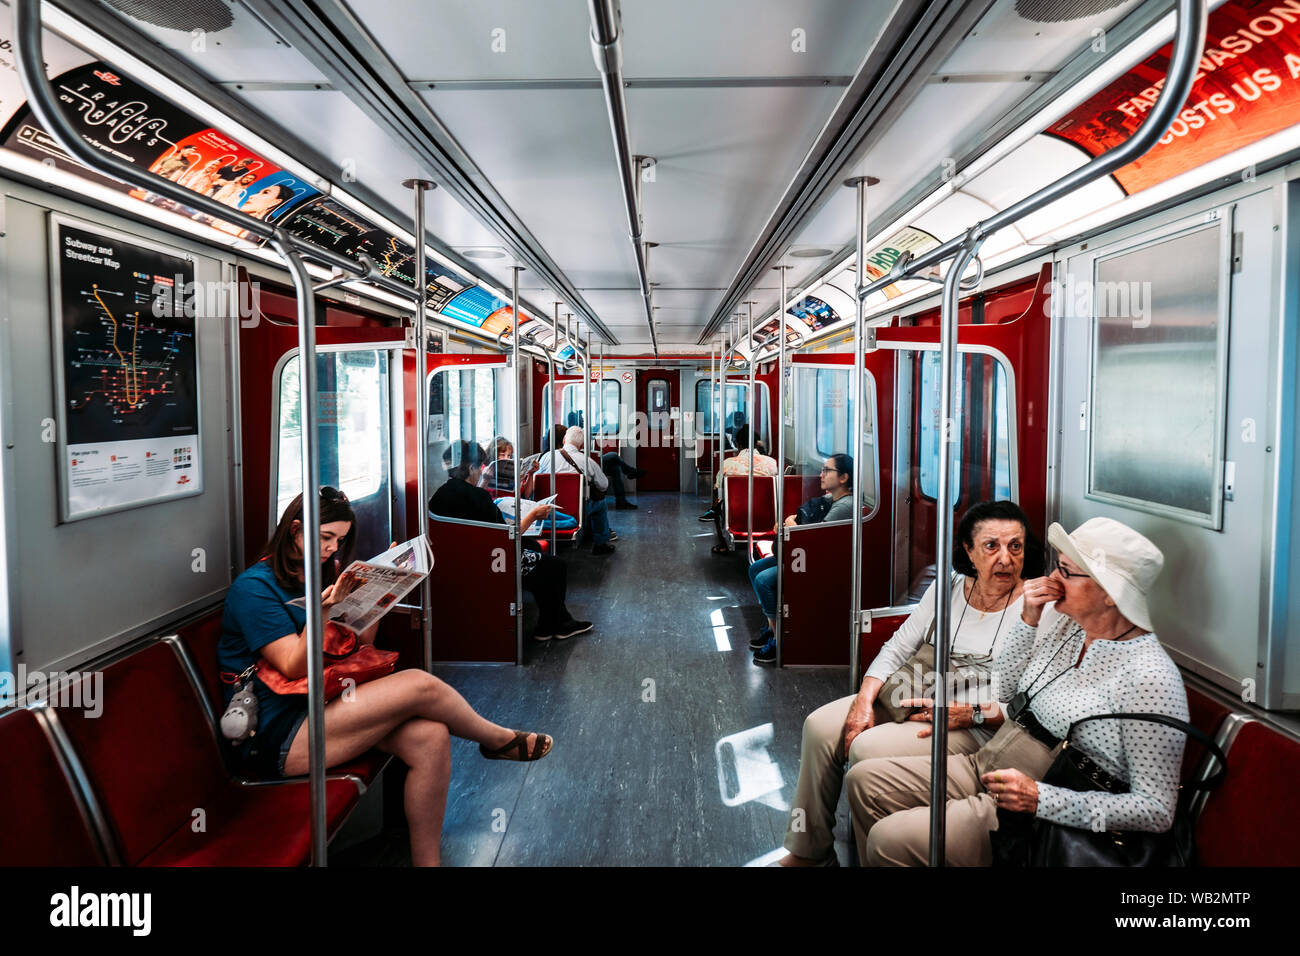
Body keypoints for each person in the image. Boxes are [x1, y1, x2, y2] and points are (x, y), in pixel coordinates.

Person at [218, 486, 552, 867]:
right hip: (277, 731)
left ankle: (429, 863)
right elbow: (293, 665)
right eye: (325, 537)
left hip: (324, 705)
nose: (331, 548)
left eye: (339, 540)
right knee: (420, 685)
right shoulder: (255, 588)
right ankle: (496, 740)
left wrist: (380, 593)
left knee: (430, 737)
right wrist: (324, 609)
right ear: (295, 529)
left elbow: (358, 644)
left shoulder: (319, 574)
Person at [845, 516, 1186, 866]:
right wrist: (1029, 617)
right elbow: (1007, 690)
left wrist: (1041, 799)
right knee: (862, 781)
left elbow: (1157, 811)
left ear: (1110, 594)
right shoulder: (1069, 626)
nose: (1053, 579)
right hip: (991, 760)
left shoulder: (1149, 677)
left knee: (890, 840)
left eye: (1066, 572)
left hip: (1037, 802)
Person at [430, 441, 593, 640]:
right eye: (480, 467)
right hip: (489, 563)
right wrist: (533, 515)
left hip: (462, 559)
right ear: (471, 468)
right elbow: (506, 537)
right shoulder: (478, 497)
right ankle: (557, 623)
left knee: (532, 547)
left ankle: (550, 622)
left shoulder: (439, 496)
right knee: (556, 566)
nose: (481, 472)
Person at [749, 453, 864, 666]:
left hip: (820, 562)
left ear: (843, 478)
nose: (821, 474)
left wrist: (793, 526)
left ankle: (779, 637)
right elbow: (803, 518)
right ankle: (772, 624)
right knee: (755, 569)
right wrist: (792, 522)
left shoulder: (846, 505)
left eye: (827, 470)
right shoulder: (834, 498)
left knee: (764, 580)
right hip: (810, 553)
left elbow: (816, 536)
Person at [536, 426, 617, 555]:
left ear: (564, 440)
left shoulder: (546, 457)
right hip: (577, 511)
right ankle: (600, 543)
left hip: (548, 509)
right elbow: (604, 485)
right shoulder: (587, 461)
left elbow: (536, 479)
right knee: (600, 504)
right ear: (582, 445)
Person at [708, 425, 777, 555]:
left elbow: (717, 488)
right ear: (757, 443)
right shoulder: (771, 463)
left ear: (738, 444)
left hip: (736, 513)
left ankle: (722, 544)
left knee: (716, 500)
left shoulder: (728, 464)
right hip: (766, 512)